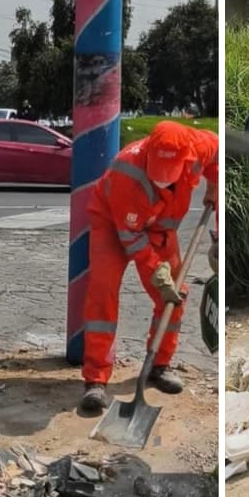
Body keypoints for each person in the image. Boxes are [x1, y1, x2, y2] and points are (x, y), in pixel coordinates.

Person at [79, 120, 218, 412]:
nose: (162, 180)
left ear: (186, 157)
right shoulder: (127, 171)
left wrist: (215, 190)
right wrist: (159, 272)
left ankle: (159, 365)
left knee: (175, 296)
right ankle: (96, 380)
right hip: (114, 225)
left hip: (160, 230)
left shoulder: (199, 146)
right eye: (157, 172)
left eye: (169, 172)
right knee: (103, 293)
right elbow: (132, 238)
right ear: (148, 152)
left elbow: (218, 156)